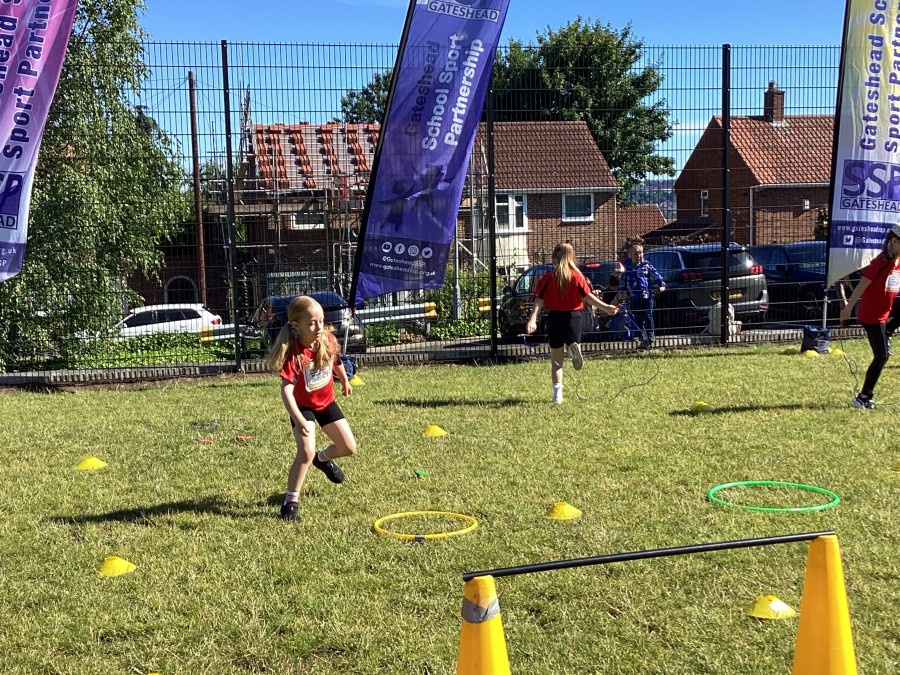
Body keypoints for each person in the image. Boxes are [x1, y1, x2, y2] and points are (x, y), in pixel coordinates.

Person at [265, 295, 356, 520]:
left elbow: (335, 360)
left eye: (321, 321)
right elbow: (286, 390)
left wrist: (344, 380)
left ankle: (322, 459)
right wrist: (298, 418)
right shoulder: (294, 353)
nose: (318, 327)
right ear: (297, 325)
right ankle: (290, 503)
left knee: (348, 447)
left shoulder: (327, 339)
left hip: (326, 403)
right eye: (312, 323)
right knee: (305, 452)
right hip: (303, 407)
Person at [525, 243, 618, 404]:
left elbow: (538, 301)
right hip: (573, 317)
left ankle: (557, 395)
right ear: (571, 257)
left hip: (554, 318)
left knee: (556, 360)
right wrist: (606, 307)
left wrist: (532, 319)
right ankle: (573, 347)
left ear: (553, 258)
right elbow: (588, 297)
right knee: (573, 342)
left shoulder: (547, 278)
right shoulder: (576, 276)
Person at [839, 223, 900, 409]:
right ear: (894, 241)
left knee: (883, 353)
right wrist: (848, 308)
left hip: (886, 310)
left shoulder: (897, 260)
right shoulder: (880, 262)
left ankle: (887, 332)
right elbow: (862, 285)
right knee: (882, 356)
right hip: (872, 316)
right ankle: (863, 397)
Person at [619, 242, 665, 349]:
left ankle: (650, 336)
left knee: (648, 315)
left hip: (646, 295)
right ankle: (639, 336)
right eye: (636, 254)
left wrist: (661, 285)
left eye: (640, 253)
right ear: (630, 255)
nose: (638, 256)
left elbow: (655, 275)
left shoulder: (646, 265)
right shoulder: (627, 267)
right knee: (637, 316)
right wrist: (623, 291)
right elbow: (623, 280)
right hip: (634, 295)